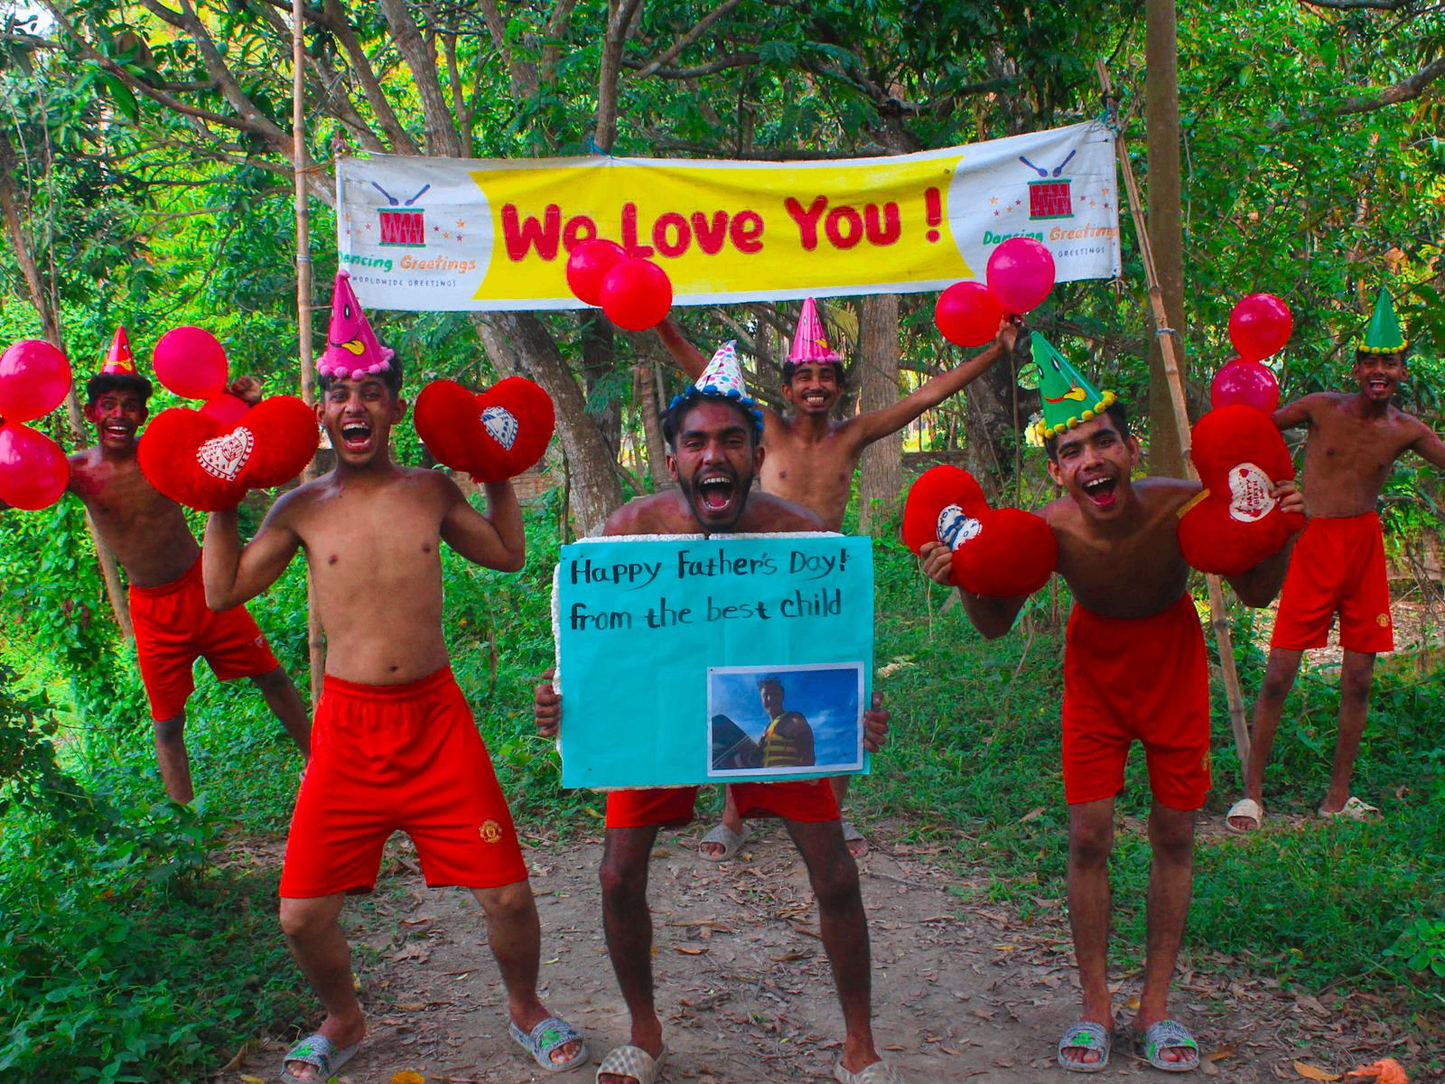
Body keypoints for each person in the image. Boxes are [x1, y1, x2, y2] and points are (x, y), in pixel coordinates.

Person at [200, 270, 585, 1082]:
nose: (354, 406)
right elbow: (223, 590)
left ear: (394, 408)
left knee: (508, 896)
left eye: (370, 392)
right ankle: (344, 1019)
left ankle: (525, 1008)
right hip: (346, 732)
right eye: (339, 393)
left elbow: (506, 554)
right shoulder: (300, 507)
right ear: (322, 413)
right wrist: (221, 495)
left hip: (436, 721)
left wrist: (494, 466)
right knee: (301, 916)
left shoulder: (430, 490)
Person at [921, 334, 1303, 1074]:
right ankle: (1095, 1007)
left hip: (1172, 666)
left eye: (1103, 442)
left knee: (1174, 833)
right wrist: (961, 577)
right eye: (1071, 451)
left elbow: (1257, 591)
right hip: (1093, 674)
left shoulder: (1181, 507)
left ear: (1130, 450)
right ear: (1056, 470)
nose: (1090, 459)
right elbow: (994, 624)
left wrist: (1283, 526)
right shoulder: (1047, 532)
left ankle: (1155, 1007)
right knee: (1088, 837)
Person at [533, 350, 903, 1084]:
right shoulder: (626, 533)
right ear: (672, 459)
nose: (714, 455)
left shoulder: (800, 536)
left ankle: (860, 1046)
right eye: (696, 442)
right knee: (617, 875)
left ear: (757, 457)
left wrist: (858, 710)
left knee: (834, 872)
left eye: (731, 440)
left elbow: (833, 651)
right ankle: (645, 1033)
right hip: (660, 720)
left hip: (767, 716)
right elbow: (591, 652)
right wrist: (561, 699)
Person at [659, 300, 1021, 858]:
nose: (815, 385)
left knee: (844, 691)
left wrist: (995, 350)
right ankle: (734, 817)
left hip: (826, 590)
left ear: (839, 388)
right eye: (804, 375)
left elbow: (924, 397)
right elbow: (697, 366)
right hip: (759, 587)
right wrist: (661, 323)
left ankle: (832, 812)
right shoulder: (765, 428)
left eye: (826, 376)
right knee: (744, 686)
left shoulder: (851, 435)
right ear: (786, 388)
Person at [40, 326, 310, 802]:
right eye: (108, 405)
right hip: (152, 611)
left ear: (144, 414)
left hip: (205, 587)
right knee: (167, 724)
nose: (119, 414)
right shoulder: (76, 472)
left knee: (271, 675)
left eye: (130, 406)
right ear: (92, 412)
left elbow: (226, 441)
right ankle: (184, 822)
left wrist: (245, 403)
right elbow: (16, 486)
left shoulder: (162, 450)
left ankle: (319, 761)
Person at [1228, 288, 1445, 831]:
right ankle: (1251, 795)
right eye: (1370, 362)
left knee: (1359, 679)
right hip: (1314, 543)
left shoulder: (1407, 430)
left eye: (1389, 363)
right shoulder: (1320, 408)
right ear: (1356, 369)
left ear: (1402, 371)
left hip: (1363, 548)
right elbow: (1252, 430)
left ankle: (1337, 797)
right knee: (1279, 674)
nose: (1379, 371)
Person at [757, 675, 815, 767]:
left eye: (774, 694)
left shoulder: (794, 721)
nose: (769, 699)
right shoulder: (766, 732)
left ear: (782, 696)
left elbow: (809, 757)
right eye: (765, 695)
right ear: (761, 700)